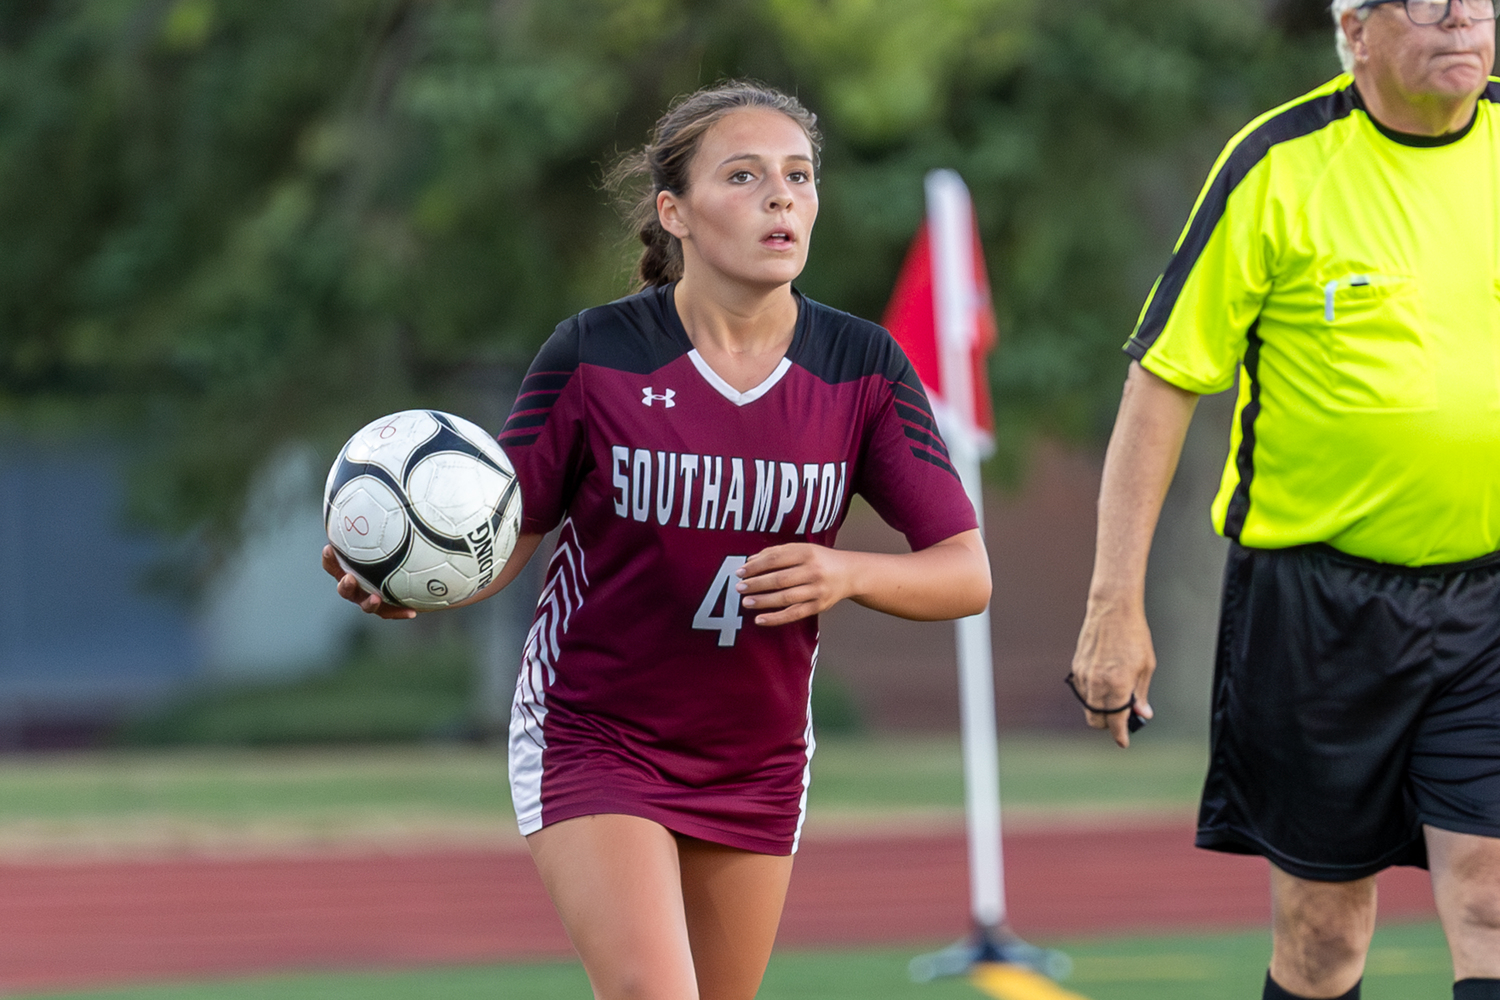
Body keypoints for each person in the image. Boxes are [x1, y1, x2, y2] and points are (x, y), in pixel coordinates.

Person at [324, 81, 991, 1000]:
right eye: (746, 175)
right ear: (674, 212)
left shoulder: (862, 367)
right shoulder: (595, 353)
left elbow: (966, 574)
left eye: (799, 176)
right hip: (596, 731)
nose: (782, 197)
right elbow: (503, 532)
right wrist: (421, 581)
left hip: (755, 754)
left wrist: (846, 571)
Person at [1069, 2, 1500, 998]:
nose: (1460, 20)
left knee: (1489, 898)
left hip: (1486, 602)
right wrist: (1112, 604)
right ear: (1356, 29)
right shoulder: (1275, 164)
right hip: (1315, 605)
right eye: (1427, 1)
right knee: (1321, 937)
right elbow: (1164, 380)